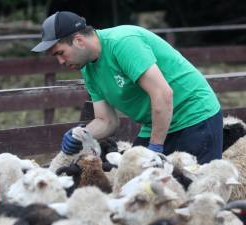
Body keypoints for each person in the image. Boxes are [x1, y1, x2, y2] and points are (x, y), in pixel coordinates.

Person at [31, 11, 223, 164]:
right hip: (156, 124)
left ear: (79, 40)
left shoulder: (122, 43)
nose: (60, 61)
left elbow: (163, 94)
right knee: (135, 189)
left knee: (193, 195)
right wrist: (82, 135)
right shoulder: (88, 68)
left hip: (194, 116)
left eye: (61, 53)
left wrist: (154, 150)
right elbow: (106, 121)